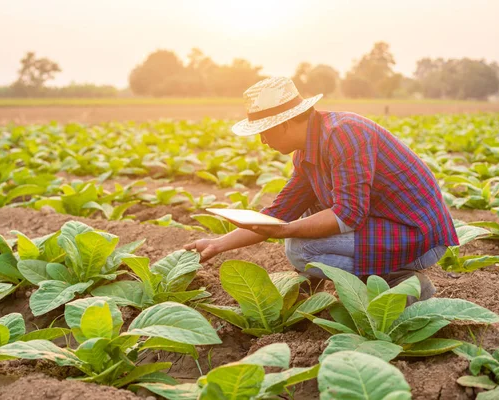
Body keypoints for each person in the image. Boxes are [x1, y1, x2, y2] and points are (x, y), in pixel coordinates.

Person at [184, 76, 459, 301]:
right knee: (307, 221)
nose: (262, 140)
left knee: (300, 248)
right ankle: (381, 281)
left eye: (264, 130)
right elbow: (278, 213)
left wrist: (285, 231)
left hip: (417, 236)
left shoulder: (345, 133)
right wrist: (217, 244)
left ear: (285, 123)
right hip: (384, 227)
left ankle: (400, 284)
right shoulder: (306, 151)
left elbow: (348, 215)